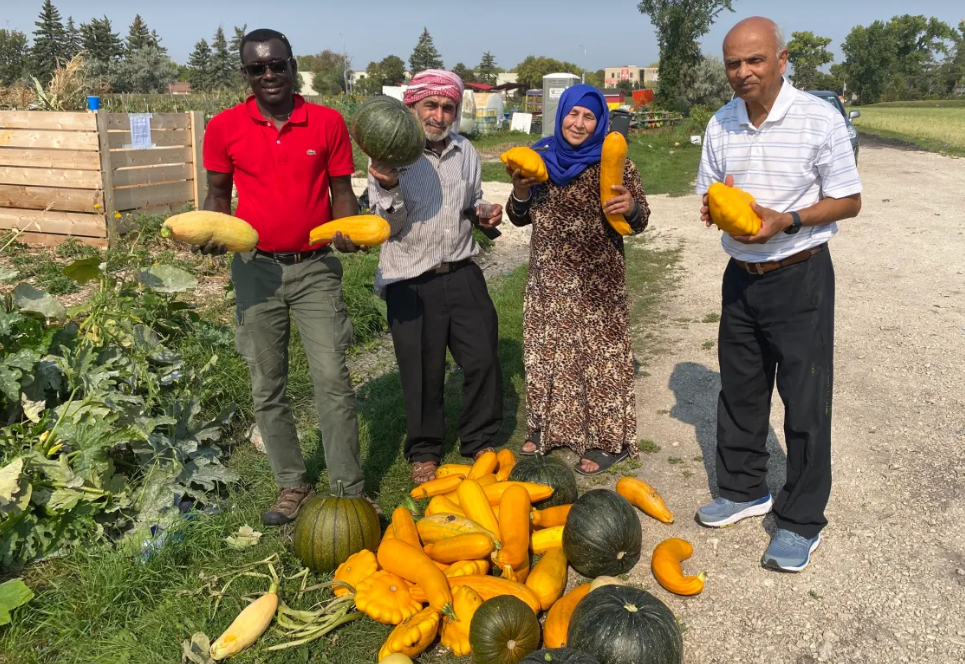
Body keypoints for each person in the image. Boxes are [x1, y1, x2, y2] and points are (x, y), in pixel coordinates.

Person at [694, 17, 862, 571]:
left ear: (782, 59)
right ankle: (744, 491)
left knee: (806, 401)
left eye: (754, 61)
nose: (742, 73)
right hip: (741, 276)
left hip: (800, 273)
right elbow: (711, 191)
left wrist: (787, 219)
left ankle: (801, 519)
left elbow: (848, 200)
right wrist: (717, 205)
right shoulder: (720, 123)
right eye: (733, 64)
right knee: (739, 392)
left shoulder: (819, 118)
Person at [199, 28, 374, 525]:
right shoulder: (225, 127)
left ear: (292, 65)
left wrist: (345, 227)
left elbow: (342, 189)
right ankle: (291, 483)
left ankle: (347, 488)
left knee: (332, 379)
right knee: (266, 383)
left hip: (315, 267)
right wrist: (211, 231)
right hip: (256, 271)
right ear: (246, 74)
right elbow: (216, 194)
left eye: (277, 65)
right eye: (257, 68)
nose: (269, 75)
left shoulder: (326, 122)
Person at [364, 70, 504, 485]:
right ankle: (424, 450)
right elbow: (386, 225)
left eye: (448, 107)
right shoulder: (390, 153)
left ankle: (479, 440)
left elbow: (471, 202)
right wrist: (387, 186)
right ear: (413, 107)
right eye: (432, 105)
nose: (440, 115)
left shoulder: (466, 152)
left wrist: (483, 213)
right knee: (421, 370)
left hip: (461, 269)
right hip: (410, 276)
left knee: (482, 357)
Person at [505, 84, 650, 475]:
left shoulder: (615, 163)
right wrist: (519, 192)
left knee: (600, 358)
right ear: (561, 114)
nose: (579, 123)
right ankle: (547, 429)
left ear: (600, 121)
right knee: (547, 354)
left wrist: (631, 207)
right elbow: (518, 217)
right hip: (548, 280)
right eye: (573, 114)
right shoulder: (538, 160)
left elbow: (640, 220)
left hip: (598, 281)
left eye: (589, 116)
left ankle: (607, 440)